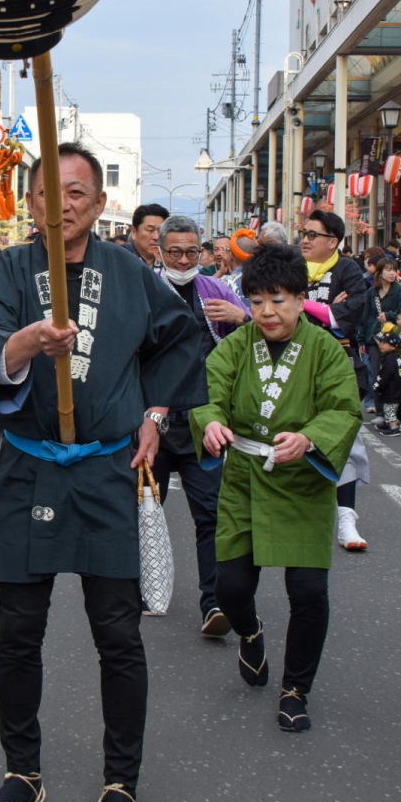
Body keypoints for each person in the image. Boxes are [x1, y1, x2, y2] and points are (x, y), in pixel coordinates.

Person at [0, 142, 202, 802]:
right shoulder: (9, 269)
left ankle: (121, 782)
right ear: (27, 203)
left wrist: (155, 415)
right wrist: (28, 343)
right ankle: (22, 771)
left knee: (118, 635)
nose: (60, 204)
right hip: (30, 464)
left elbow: (179, 342)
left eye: (75, 193)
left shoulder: (130, 272)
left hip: (105, 469)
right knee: (18, 632)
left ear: (97, 204)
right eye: (45, 192)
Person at [190, 244, 362, 734]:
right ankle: (251, 632)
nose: (267, 311)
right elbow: (210, 392)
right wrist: (211, 422)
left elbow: (345, 410)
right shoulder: (237, 344)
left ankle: (295, 689)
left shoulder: (326, 349)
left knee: (307, 592)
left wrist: (310, 437)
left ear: (300, 299)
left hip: (301, 481)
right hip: (245, 476)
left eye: (279, 299)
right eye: (258, 300)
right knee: (232, 587)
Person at [153, 214, 246, 634]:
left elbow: (254, 343)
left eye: (192, 251)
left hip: (202, 421)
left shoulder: (218, 289)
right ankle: (143, 589)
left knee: (210, 514)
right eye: (175, 251)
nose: (185, 258)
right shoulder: (144, 287)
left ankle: (214, 603)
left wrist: (240, 317)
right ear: (160, 251)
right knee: (142, 510)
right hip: (150, 422)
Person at [300, 210, 370, 551]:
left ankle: (346, 517)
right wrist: (322, 308)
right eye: (304, 232)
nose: (305, 239)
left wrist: (307, 306)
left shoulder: (348, 270)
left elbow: (345, 319)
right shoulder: (291, 266)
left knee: (343, 439)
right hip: (293, 360)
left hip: (336, 363)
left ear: (332, 241)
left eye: (313, 234)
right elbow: (275, 307)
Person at [357, 257, 401, 394]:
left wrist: (390, 315)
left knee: (392, 373)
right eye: (388, 270)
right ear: (380, 272)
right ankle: (379, 410)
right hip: (374, 338)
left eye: (394, 270)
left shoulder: (399, 290)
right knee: (376, 374)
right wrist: (361, 339)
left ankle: (393, 408)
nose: (392, 273)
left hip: (393, 337)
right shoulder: (372, 292)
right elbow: (365, 316)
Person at [371, 325, 401, 436]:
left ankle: (393, 427)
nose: (381, 345)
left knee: (389, 410)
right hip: (398, 390)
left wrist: (378, 385)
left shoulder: (389, 359)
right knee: (390, 409)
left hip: (392, 391)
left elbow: (385, 375)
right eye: (381, 342)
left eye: (384, 343)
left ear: (393, 346)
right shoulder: (395, 357)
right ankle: (389, 423)